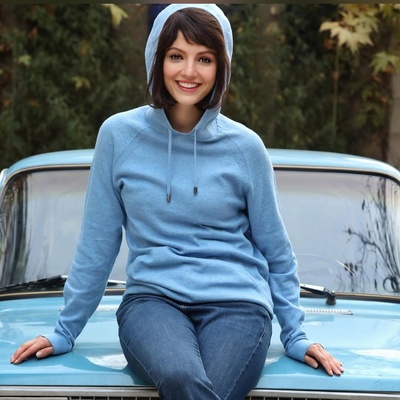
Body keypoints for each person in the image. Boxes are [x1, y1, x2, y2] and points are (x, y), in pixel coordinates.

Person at [10, 4, 343, 400]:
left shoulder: (246, 148)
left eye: (204, 58)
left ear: (221, 66)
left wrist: (295, 335)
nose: (189, 71)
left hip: (238, 305)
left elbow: (276, 249)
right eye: (176, 56)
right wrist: (65, 330)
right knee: (182, 376)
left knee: (210, 387)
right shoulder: (118, 136)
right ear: (156, 58)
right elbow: (97, 242)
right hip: (151, 301)